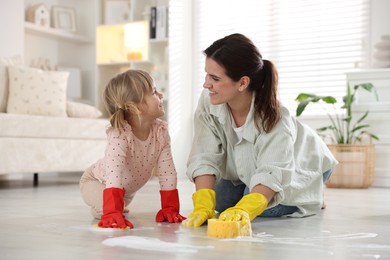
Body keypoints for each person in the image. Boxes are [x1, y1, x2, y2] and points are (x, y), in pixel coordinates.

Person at [182, 33, 338, 227]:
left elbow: (273, 171)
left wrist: (245, 208)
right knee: (221, 200)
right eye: (206, 74)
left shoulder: (275, 117)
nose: (206, 83)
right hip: (249, 167)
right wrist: (203, 204)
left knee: (260, 201)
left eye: (214, 78)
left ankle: (311, 191)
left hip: (304, 160)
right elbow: (204, 153)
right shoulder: (209, 101)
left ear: (243, 83)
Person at [80, 69, 186, 229]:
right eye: (154, 92)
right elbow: (114, 172)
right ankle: (101, 208)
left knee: (118, 209)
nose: (161, 95)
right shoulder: (121, 133)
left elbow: (167, 172)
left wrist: (169, 208)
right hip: (98, 181)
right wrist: (111, 212)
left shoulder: (160, 132)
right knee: (108, 212)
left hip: (126, 191)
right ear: (136, 107)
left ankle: (112, 206)